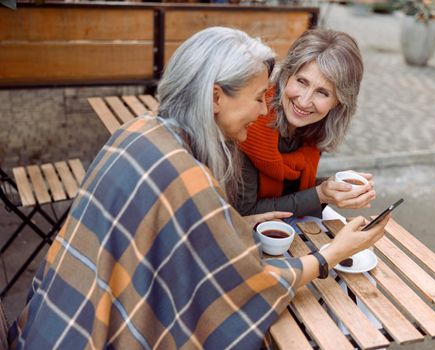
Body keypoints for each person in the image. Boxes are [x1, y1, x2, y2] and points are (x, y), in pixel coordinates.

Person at [8, 27, 389, 349]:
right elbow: (249, 285)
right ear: (216, 97)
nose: (263, 111)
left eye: (321, 92)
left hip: (47, 323)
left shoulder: (140, 130)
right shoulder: (187, 173)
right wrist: (333, 253)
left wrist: (240, 220)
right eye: (259, 98)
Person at [236, 28, 376, 218]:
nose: (303, 101)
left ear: (338, 102)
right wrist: (320, 194)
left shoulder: (315, 126)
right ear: (286, 75)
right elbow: (244, 213)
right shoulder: (251, 125)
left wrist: (335, 188)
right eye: (302, 81)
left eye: (322, 92)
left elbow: (290, 189)